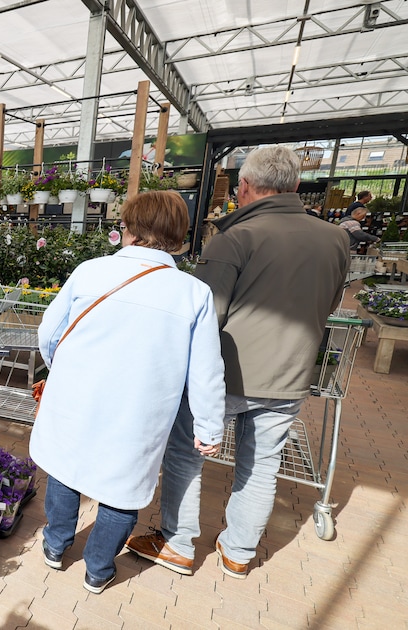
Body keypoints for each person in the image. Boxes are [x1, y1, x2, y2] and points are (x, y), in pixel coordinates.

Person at [126, 146, 349, 580]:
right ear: (296, 186)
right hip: (290, 374)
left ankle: (178, 543)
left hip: (224, 375)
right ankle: (239, 552)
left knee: (187, 456)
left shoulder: (235, 238)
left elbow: (206, 314)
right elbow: (332, 300)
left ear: (244, 187)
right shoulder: (335, 237)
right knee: (262, 464)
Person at [31, 191, 226, 594]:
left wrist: (61, 370)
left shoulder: (90, 271)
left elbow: (49, 333)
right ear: (178, 235)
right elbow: (206, 370)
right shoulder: (193, 293)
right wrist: (209, 426)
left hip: (76, 395)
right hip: (141, 410)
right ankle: (98, 570)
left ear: (130, 229)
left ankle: (54, 547)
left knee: (67, 468)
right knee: (122, 488)